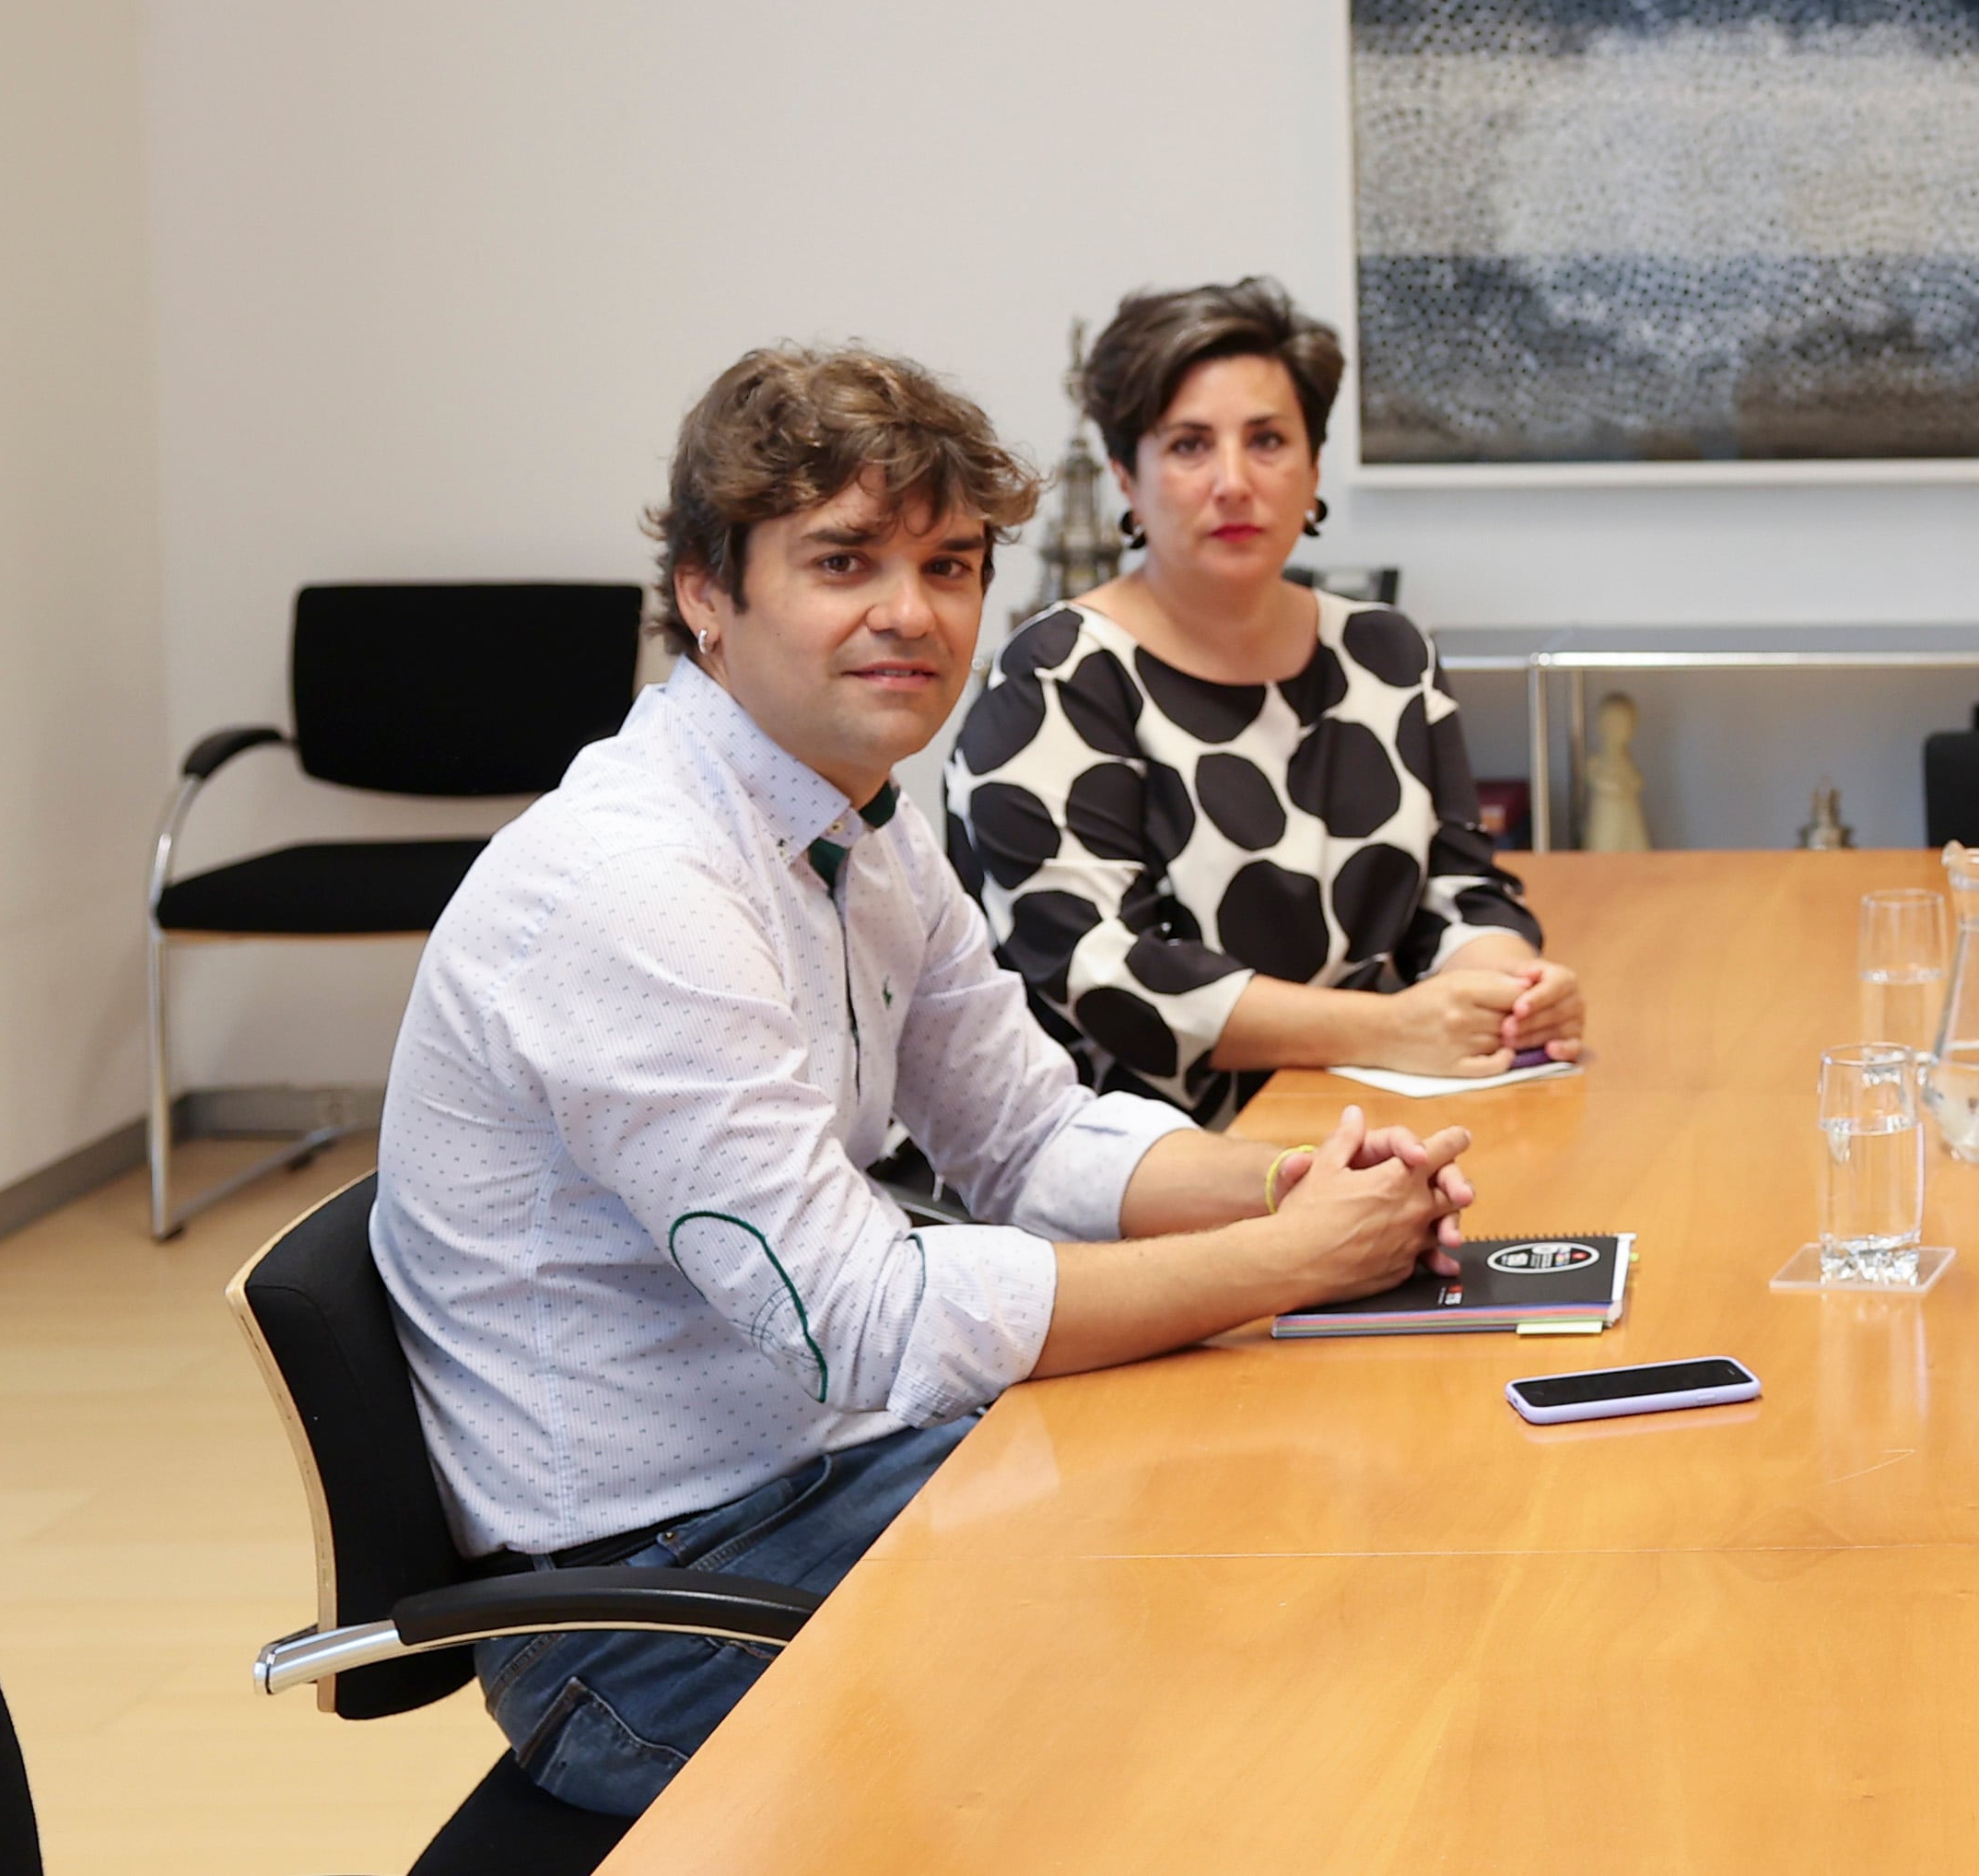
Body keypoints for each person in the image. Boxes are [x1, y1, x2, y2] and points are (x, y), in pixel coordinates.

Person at [377, 346, 1483, 1814]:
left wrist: (1295, 1185)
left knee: (1284, 1502)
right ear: (708, 592)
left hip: (821, 1486)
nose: (913, 613)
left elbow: (1028, 1135)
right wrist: (1276, 1263)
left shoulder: (858, 821)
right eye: (844, 561)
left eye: (949, 564)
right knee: (1251, 1679)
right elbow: (869, 1326)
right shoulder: (631, 887)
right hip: (652, 1615)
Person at [951, 279, 1579, 1127]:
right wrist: (1390, 1029)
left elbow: (1459, 889)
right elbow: (1105, 975)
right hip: (1131, 1160)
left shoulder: (1388, 654)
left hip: (1360, 1119)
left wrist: (1511, 989)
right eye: (1188, 446)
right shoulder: (1058, 676)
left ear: (1314, 469)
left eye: (1269, 440)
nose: (1234, 482)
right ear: (1125, 481)